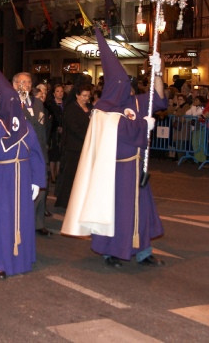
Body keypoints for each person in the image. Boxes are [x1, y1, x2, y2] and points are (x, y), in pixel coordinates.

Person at [61, 27, 166, 268]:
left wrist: (158, 72)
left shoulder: (136, 103)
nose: (128, 88)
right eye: (124, 84)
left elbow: (158, 99)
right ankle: (111, 251)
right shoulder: (103, 111)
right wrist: (143, 125)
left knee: (141, 210)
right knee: (115, 212)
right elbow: (121, 132)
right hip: (114, 171)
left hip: (136, 168)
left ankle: (143, 251)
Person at [0, 51, 46, 279]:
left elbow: (35, 152)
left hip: (23, 176)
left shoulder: (26, 125)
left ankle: (22, 259)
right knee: (1, 219)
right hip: (1, 180)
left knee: (22, 218)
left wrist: (37, 180)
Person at [13, 71, 51, 236]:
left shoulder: (37, 102)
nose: (27, 85)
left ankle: (38, 223)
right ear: (15, 85)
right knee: (26, 190)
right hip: (23, 152)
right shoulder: (12, 103)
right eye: (23, 82)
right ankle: (24, 223)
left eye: (29, 82)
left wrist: (44, 150)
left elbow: (42, 128)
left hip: (40, 150)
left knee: (42, 187)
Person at [54, 83, 92, 209]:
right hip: (74, 147)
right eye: (84, 95)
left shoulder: (90, 108)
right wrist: (87, 136)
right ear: (77, 95)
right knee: (70, 175)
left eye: (88, 95)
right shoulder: (71, 109)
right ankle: (65, 201)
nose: (86, 98)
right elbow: (74, 128)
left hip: (86, 146)